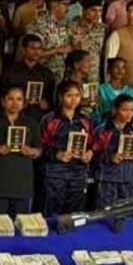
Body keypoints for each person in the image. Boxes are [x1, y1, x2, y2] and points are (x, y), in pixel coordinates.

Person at [0, 86, 40, 214]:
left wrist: (32, 151)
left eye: (19, 99)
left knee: (22, 225)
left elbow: (39, 149)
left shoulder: (31, 122)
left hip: (23, 185)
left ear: (24, 103)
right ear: (3, 101)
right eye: (10, 99)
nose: (15, 103)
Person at [40, 81, 94, 215]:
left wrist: (89, 153)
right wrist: (57, 154)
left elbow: (92, 144)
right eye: (69, 95)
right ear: (60, 97)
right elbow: (41, 146)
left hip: (79, 172)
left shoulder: (85, 120)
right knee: (53, 213)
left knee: (75, 214)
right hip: (56, 172)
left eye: (77, 95)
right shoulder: (50, 119)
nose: (74, 99)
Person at [92, 95, 133, 210]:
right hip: (108, 179)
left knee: (129, 212)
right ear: (115, 110)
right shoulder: (103, 130)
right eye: (125, 110)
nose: (129, 114)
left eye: (132, 110)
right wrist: (110, 157)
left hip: (130, 178)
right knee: (107, 213)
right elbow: (93, 155)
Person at [95, 57, 133, 125]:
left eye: (123, 67)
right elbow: (97, 111)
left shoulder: (131, 92)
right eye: (116, 67)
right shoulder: (101, 89)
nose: (120, 70)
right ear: (109, 69)